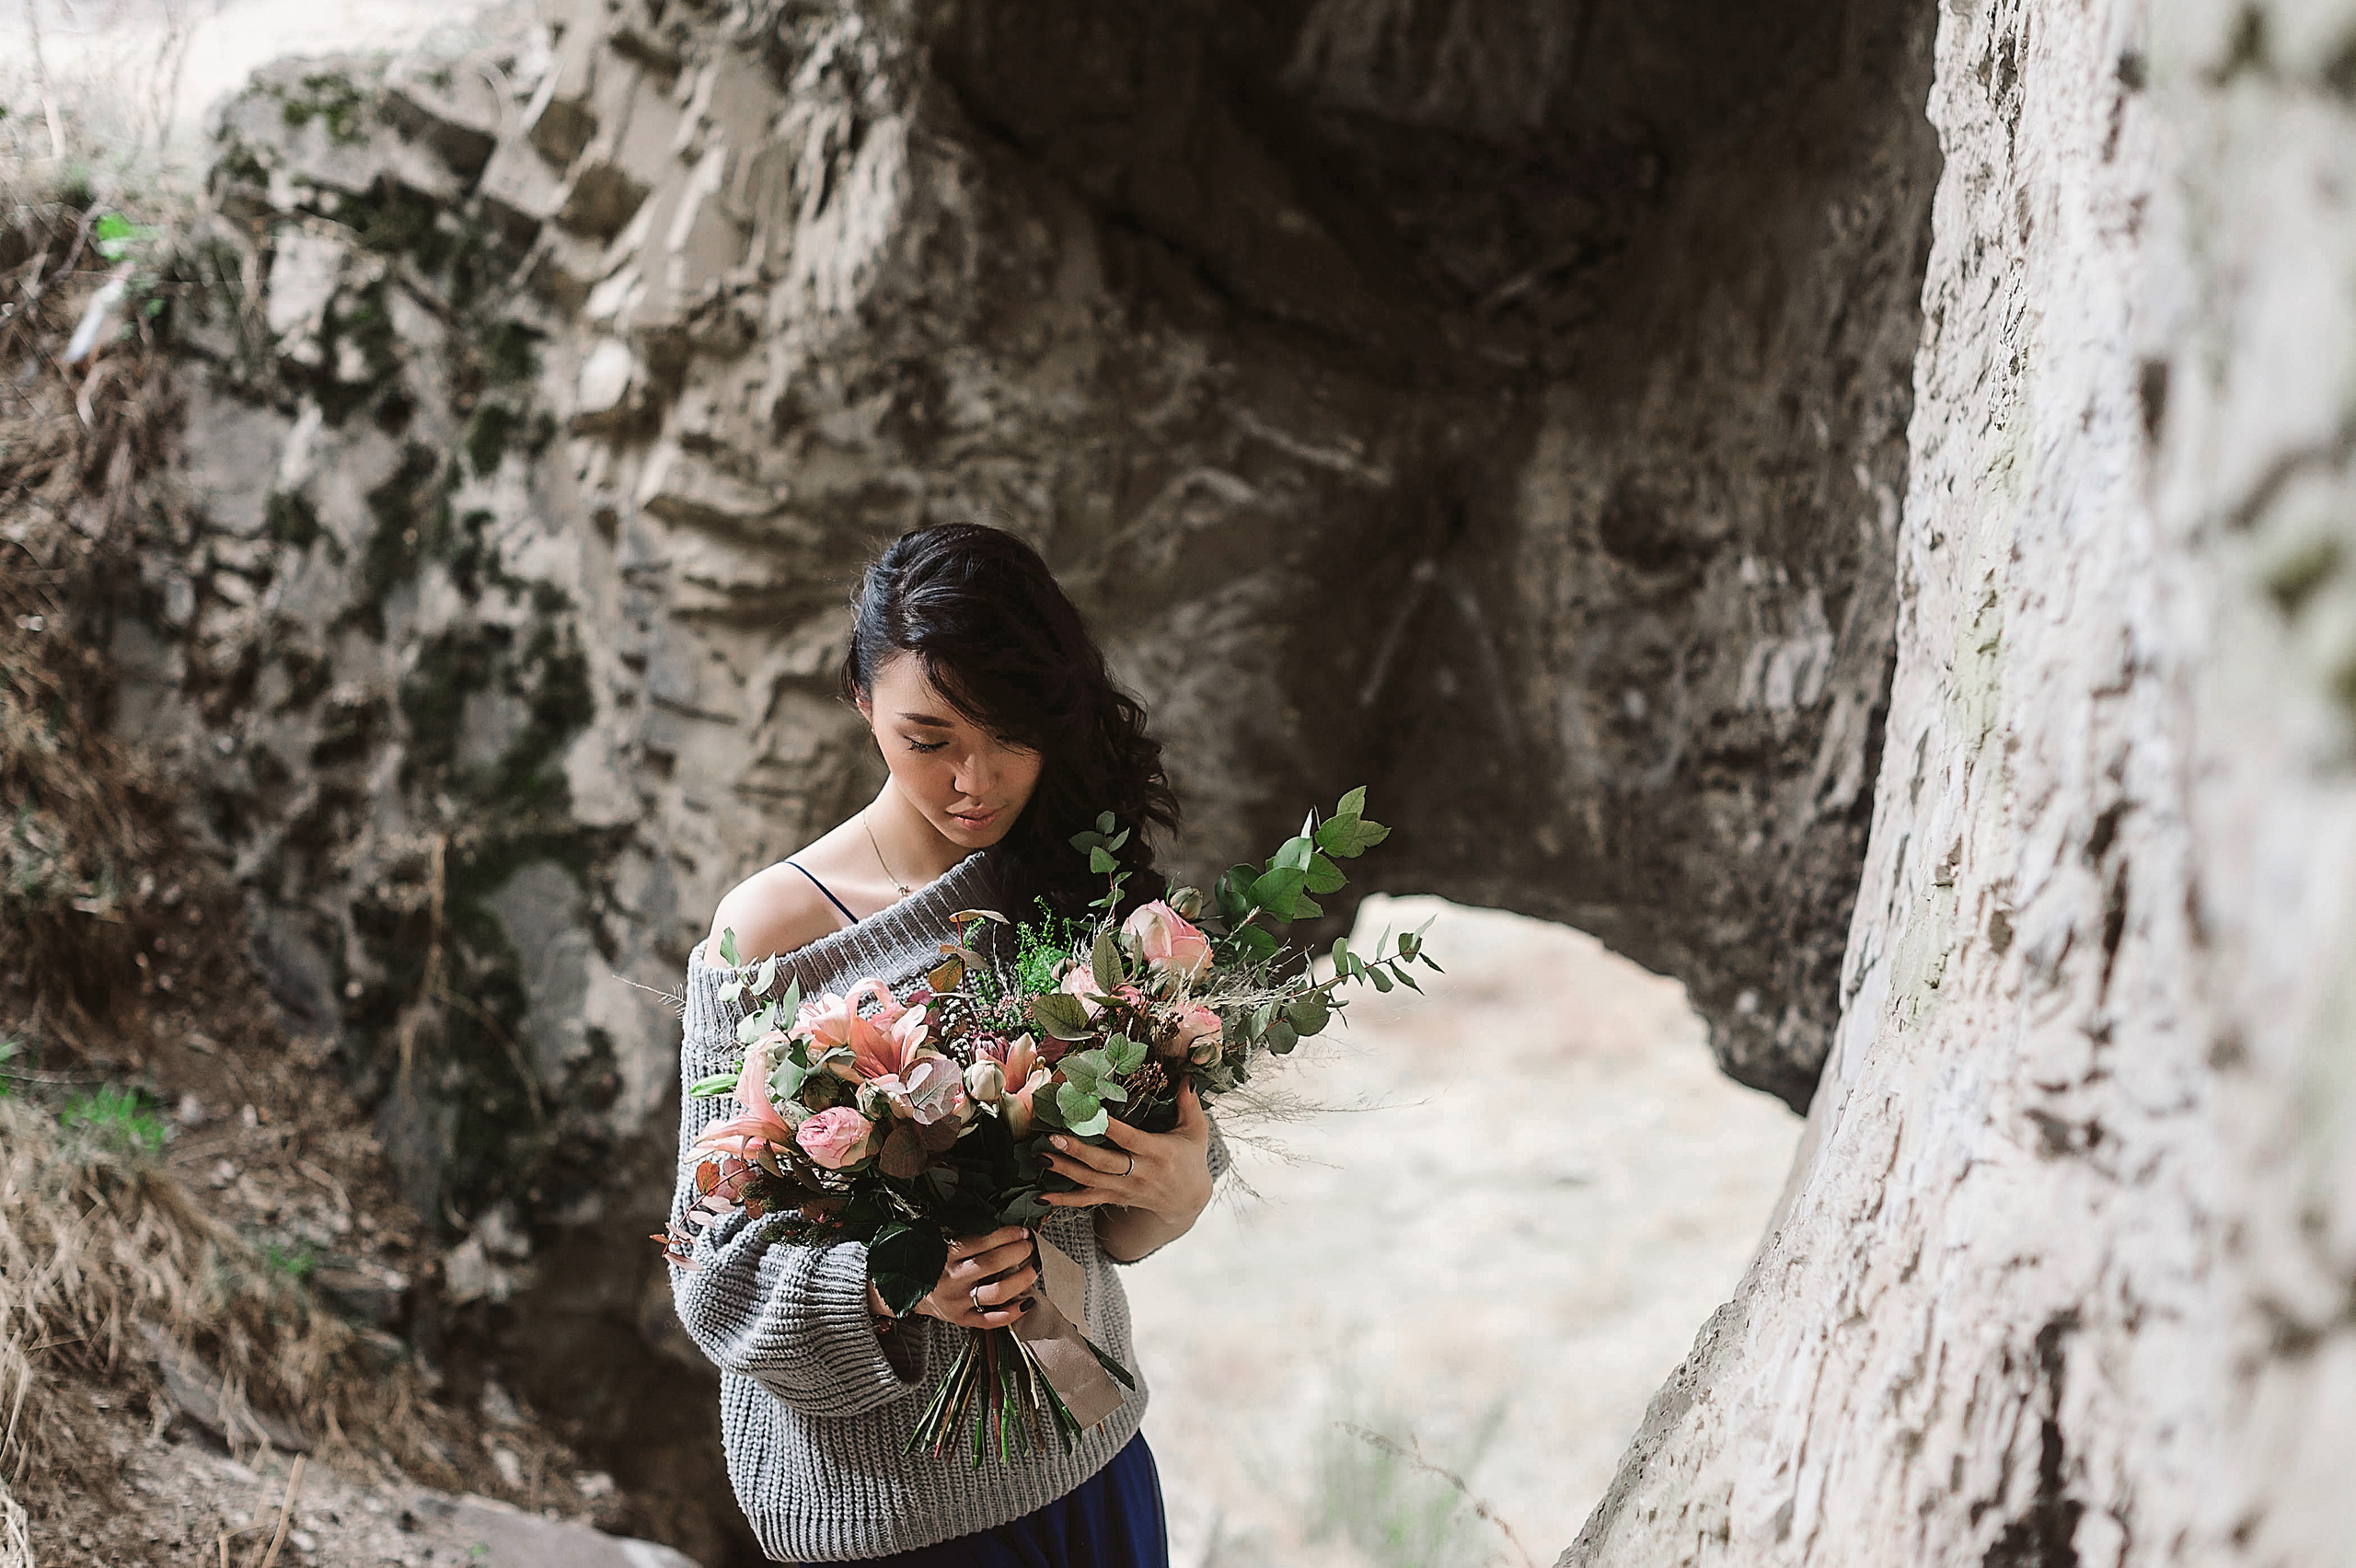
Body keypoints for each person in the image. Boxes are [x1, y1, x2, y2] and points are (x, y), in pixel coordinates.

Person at [668, 523, 1222, 1565]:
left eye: (1010, 734)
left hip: (1087, 1463)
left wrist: (1175, 1193)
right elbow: (714, 1277)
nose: (975, 781)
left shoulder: (1070, 886)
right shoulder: (773, 933)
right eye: (929, 740)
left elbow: (1109, 1233)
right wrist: (894, 1281)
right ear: (861, 701)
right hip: (889, 1522)